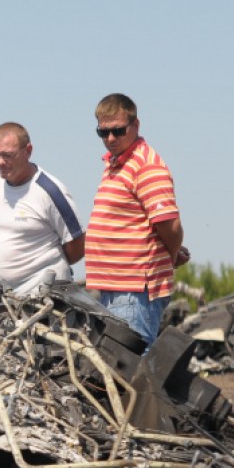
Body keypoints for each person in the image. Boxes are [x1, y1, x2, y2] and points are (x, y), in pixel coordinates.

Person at [84, 94, 189, 346]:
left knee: (130, 367)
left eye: (118, 131)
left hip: (133, 292)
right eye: (104, 132)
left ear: (136, 125)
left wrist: (171, 255)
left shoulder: (146, 166)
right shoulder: (116, 164)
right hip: (115, 289)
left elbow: (169, 224)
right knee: (116, 369)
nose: (110, 139)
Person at [0, 122, 85, 296]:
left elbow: (78, 244)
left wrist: (45, 269)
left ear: (28, 151)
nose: (1, 162)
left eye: (8, 155)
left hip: (45, 299)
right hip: (5, 298)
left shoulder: (50, 190)